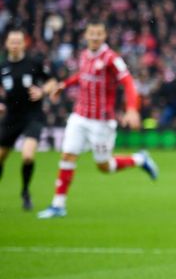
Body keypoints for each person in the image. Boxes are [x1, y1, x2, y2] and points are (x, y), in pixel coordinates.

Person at [37, 20, 158, 219]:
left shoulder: (112, 58)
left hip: (101, 121)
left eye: (98, 34)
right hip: (79, 116)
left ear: (104, 36)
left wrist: (131, 109)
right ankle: (58, 205)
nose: (94, 37)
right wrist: (64, 85)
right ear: (86, 35)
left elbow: (128, 82)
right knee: (67, 155)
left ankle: (140, 159)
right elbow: (82, 76)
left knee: (104, 166)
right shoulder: (84, 55)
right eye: (91, 33)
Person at [0, 29, 57, 210]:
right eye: (12, 41)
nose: (15, 45)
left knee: (27, 156)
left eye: (18, 41)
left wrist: (42, 91)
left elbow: (52, 81)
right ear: (7, 44)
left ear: (24, 44)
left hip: (32, 116)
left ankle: (25, 192)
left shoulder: (34, 63)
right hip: (11, 117)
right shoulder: (2, 67)